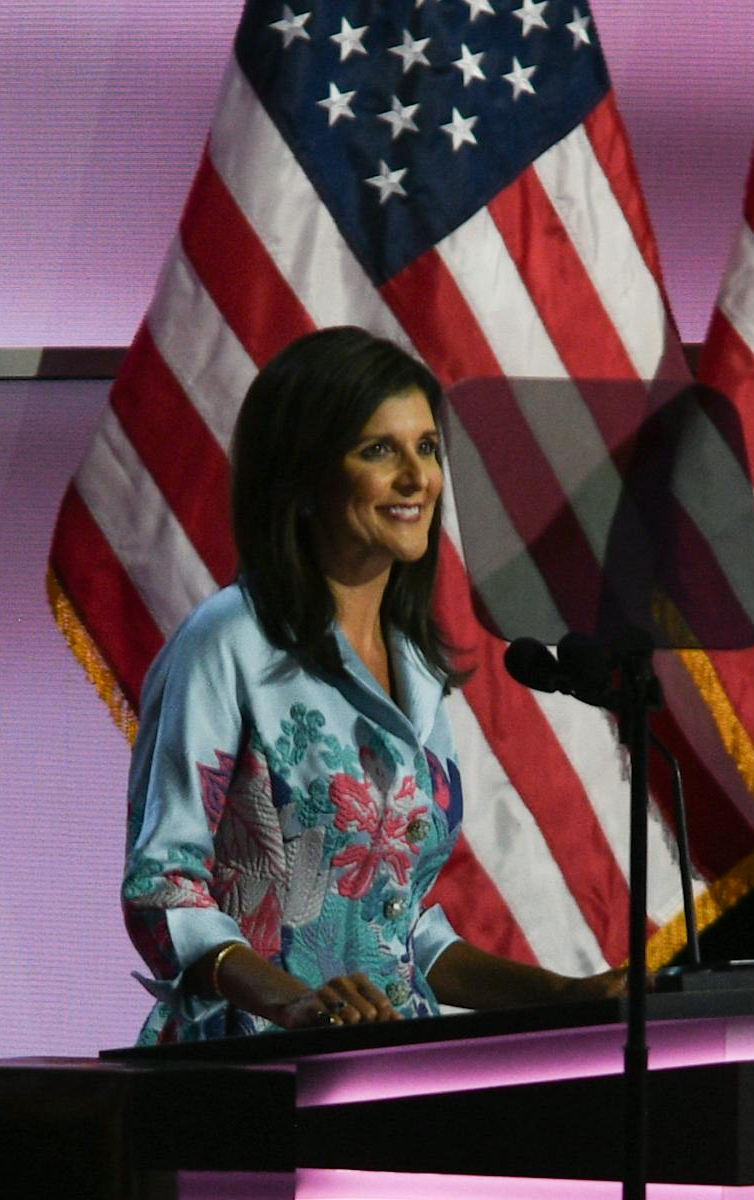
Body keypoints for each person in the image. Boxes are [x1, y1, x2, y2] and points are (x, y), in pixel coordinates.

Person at [122, 326, 618, 1043]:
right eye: (379, 450)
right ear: (302, 477)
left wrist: (564, 994)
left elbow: (398, 929)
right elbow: (161, 890)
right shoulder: (225, 642)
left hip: (388, 1064)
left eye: (427, 447)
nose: (418, 478)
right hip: (244, 1065)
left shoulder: (415, 663)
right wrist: (294, 1004)